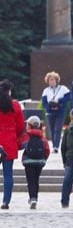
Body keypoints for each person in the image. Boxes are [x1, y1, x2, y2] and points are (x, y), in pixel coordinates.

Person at [0, 80, 24, 210]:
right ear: (9, 91)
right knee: (8, 174)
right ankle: (5, 202)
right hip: (9, 141)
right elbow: (21, 126)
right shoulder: (15, 105)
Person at [21, 116, 50, 209]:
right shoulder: (42, 137)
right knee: (36, 180)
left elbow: (21, 145)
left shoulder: (27, 136)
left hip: (28, 161)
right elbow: (47, 150)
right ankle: (35, 198)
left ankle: (32, 198)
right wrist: (44, 158)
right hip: (40, 162)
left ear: (29, 125)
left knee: (30, 181)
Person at [41, 72, 71, 151]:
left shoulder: (63, 88)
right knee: (52, 129)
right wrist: (50, 107)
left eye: (53, 80)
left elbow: (69, 97)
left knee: (58, 128)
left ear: (56, 80)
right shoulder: (46, 90)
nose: (52, 81)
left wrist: (59, 101)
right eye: (50, 80)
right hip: (50, 112)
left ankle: (55, 146)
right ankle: (54, 144)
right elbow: (44, 102)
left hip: (60, 111)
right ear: (48, 81)